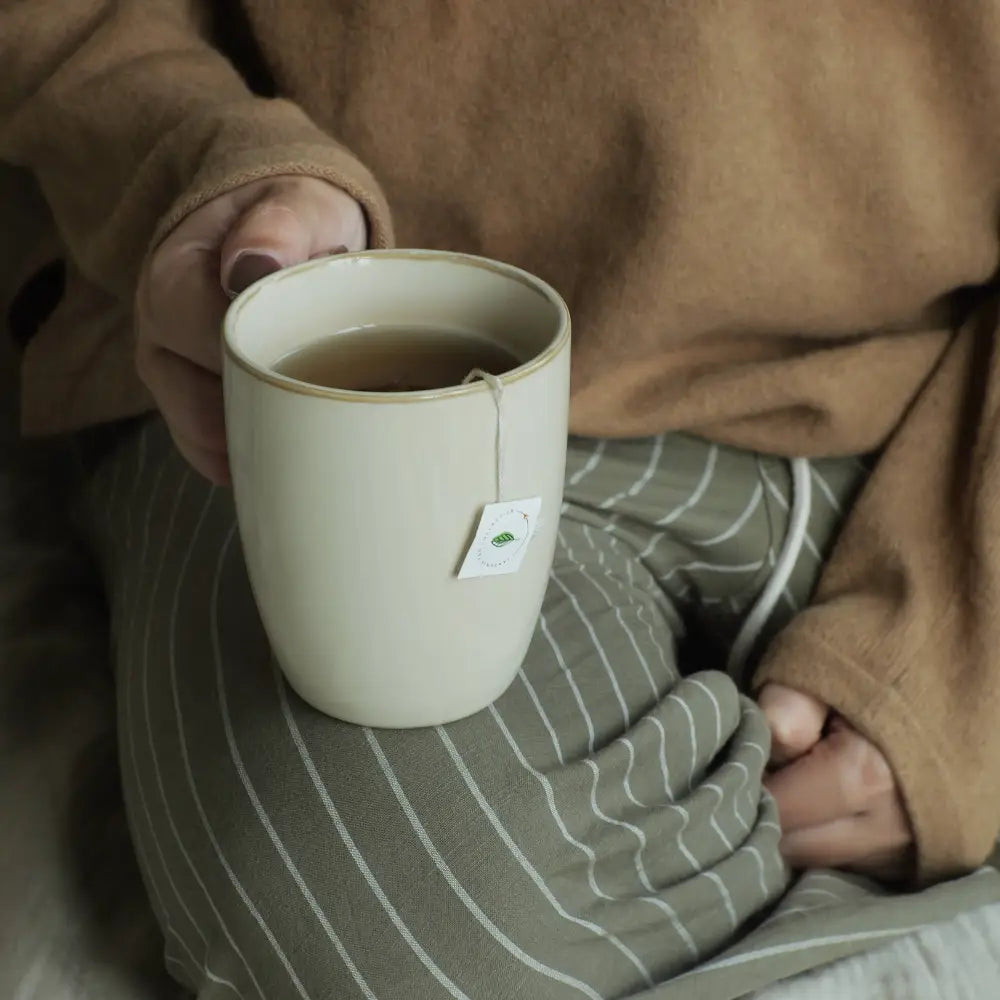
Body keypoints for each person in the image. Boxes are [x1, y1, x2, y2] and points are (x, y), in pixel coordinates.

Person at [3, 1, 1000, 996]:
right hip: (325, 377)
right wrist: (194, 158)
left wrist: (966, 655)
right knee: (391, 927)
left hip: (935, 418)